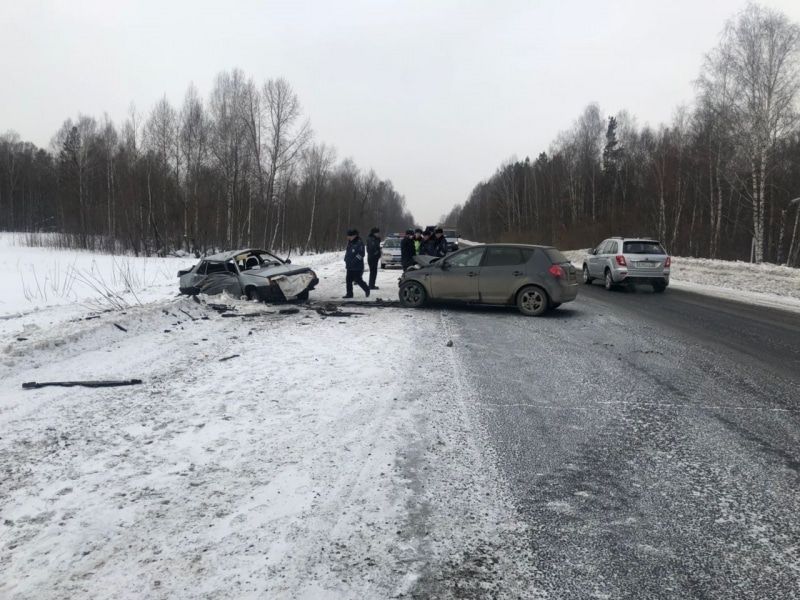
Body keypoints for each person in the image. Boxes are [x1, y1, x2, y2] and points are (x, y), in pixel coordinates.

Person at [343, 229, 370, 298]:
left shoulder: (359, 243)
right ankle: (349, 294)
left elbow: (361, 254)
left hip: (357, 266)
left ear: (354, 236)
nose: (348, 237)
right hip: (349, 266)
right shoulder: (350, 242)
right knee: (348, 280)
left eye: (349, 236)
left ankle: (366, 289)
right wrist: (346, 259)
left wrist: (353, 261)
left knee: (358, 280)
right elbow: (348, 252)